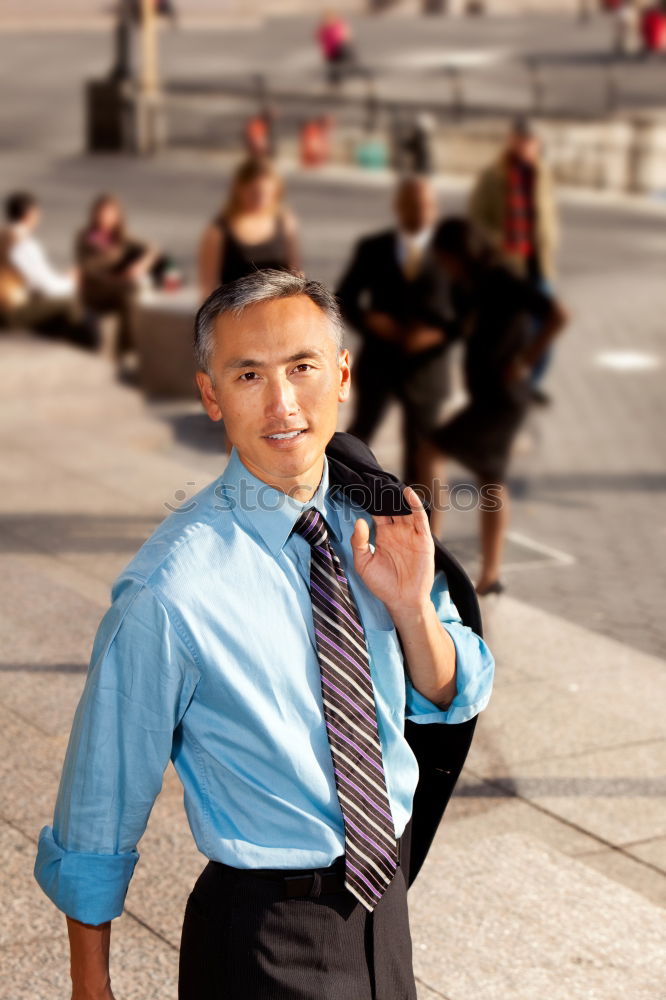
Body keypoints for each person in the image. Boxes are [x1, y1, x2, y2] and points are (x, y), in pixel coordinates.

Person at [33, 269, 494, 1000]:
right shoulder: (170, 592)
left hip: (385, 907)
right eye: (249, 375)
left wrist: (411, 607)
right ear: (211, 395)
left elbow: (453, 693)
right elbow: (99, 801)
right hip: (264, 940)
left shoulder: (376, 515)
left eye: (302, 367)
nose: (282, 404)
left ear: (341, 374)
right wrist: (92, 987)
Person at [426, 218, 567, 595]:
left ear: (462, 253)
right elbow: (460, 329)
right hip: (491, 394)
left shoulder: (502, 278)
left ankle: (432, 547)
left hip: (504, 397)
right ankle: (490, 574)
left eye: (447, 259)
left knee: (433, 448)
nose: (445, 267)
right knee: (491, 478)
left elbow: (557, 315)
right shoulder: (468, 284)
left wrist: (525, 360)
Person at [336, 174, 454, 490]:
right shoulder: (373, 248)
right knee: (357, 444)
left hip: (427, 368)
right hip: (379, 362)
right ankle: (340, 510)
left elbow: (471, 312)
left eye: (428, 205)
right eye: (414, 205)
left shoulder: (451, 255)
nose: (422, 212)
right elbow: (344, 297)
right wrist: (370, 321)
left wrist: (436, 335)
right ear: (399, 207)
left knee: (422, 453)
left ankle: (424, 531)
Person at [469, 117, 560, 404]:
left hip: (538, 264)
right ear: (512, 140)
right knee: (513, 332)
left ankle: (529, 382)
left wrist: (549, 240)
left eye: (531, 141)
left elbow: (548, 213)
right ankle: (508, 386)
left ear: (538, 144)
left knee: (545, 327)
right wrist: (500, 246)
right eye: (521, 139)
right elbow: (476, 220)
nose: (525, 146)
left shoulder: (542, 173)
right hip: (509, 267)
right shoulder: (493, 175)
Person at [197, 157, 301, 301]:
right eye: (254, 193)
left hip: (277, 312)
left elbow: (296, 275)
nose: (260, 200)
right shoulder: (218, 231)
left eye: (266, 194)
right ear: (239, 190)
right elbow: (207, 289)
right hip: (236, 315)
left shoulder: (285, 223)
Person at [75, 194, 161, 362]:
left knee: (132, 296)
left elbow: (153, 248)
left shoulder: (121, 237)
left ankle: (126, 351)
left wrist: (141, 265)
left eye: (109, 214)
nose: (104, 218)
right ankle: (128, 350)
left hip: (118, 289)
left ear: (117, 217)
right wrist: (120, 275)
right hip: (95, 292)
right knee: (131, 291)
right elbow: (91, 271)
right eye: (101, 213)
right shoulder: (86, 237)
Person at [0, 191, 91, 345]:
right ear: (30, 214)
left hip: (8, 305)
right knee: (71, 305)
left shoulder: (4, 236)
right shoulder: (23, 243)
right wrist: (71, 281)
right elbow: (46, 287)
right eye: (37, 213)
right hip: (8, 311)